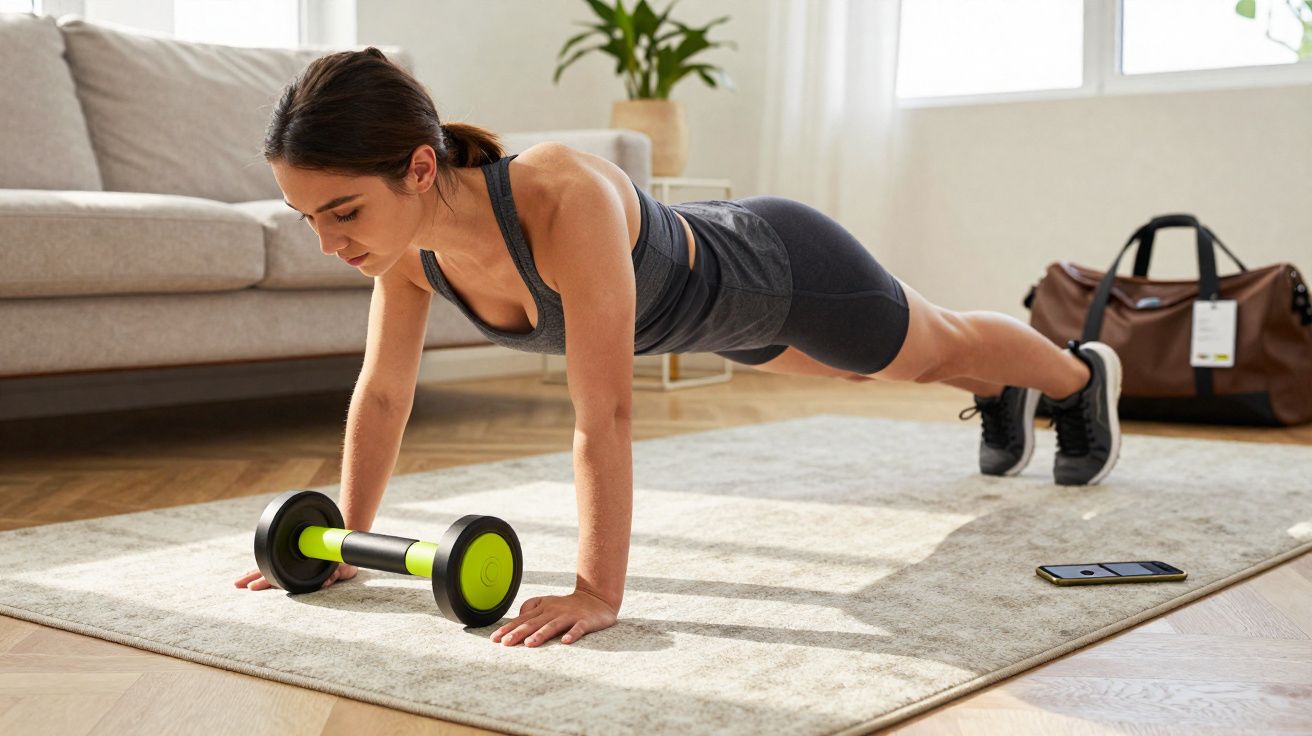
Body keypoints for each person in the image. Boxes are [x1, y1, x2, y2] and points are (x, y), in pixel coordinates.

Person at [234, 48, 1122, 647]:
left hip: (781, 273)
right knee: (911, 363)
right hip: (718, 328)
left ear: (419, 169)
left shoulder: (558, 193)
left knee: (928, 349)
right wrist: (343, 542)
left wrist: (596, 592)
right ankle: (1006, 395)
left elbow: (605, 413)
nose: (327, 243)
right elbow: (384, 395)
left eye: (341, 212)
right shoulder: (407, 255)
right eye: (306, 218)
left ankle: (1080, 377)